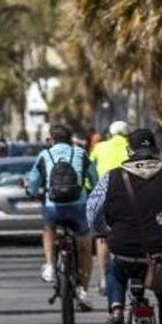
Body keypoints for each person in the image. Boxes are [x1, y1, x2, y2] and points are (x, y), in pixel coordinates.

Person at [86, 128, 162, 324]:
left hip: (124, 249)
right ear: (155, 151)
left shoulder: (113, 176)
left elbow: (93, 209)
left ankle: (116, 311)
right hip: (160, 252)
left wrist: (102, 231)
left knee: (115, 271)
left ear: (129, 151)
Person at [26, 124, 92, 308]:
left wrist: (31, 192)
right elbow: (94, 177)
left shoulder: (44, 155)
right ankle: (83, 291)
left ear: (51, 140)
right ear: (71, 139)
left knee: (48, 228)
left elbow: (33, 182)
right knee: (85, 248)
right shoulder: (80, 154)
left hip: (53, 207)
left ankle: (49, 266)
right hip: (78, 207)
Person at [89, 121, 132, 299]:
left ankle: (104, 279)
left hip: (105, 194)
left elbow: (90, 168)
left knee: (102, 237)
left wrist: (90, 188)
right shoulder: (130, 147)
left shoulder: (99, 147)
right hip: (129, 195)